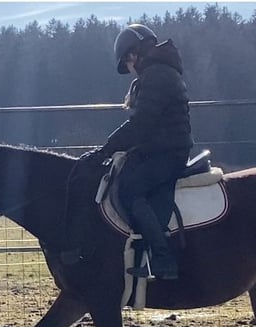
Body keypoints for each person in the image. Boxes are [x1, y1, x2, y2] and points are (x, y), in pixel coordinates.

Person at [79, 23, 193, 280]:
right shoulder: (160, 72)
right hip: (163, 149)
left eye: (128, 61)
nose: (130, 68)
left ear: (134, 53)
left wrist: (106, 149)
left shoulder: (157, 75)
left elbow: (141, 124)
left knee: (130, 189)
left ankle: (163, 259)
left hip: (168, 153)